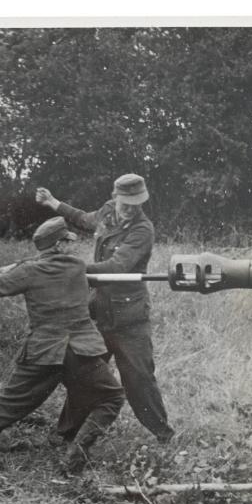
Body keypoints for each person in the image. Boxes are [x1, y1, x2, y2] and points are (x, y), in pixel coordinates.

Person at [0, 217, 125, 473]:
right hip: (81, 351)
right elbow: (42, 265)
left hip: (44, 351)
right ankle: (76, 454)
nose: (73, 247)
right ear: (59, 245)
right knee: (111, 397)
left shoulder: (29, 272)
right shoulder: (76, 266)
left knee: (11, 403)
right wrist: (21, 266)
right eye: (68, 242)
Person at [36, 174, 175, 443]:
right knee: (86, 374)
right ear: (115, 197)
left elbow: (116, 267)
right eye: (126, 202)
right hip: (99, 311)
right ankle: (64, 434)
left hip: (129, 317)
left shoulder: (143, 230)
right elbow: (83, 219)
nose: (131, 208)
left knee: (138, 380)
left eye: (137, 203)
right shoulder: (107, 211)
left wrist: (71, 269)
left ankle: (163, 435)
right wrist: (54, 202)